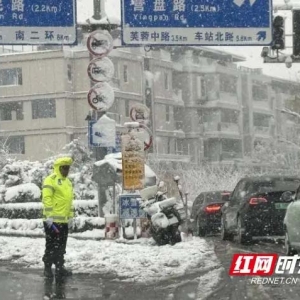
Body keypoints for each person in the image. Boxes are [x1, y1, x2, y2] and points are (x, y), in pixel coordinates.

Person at [42, 156, 74, 298]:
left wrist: (71, 216)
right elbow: (47, 198)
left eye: (68, 168)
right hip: (52, 221)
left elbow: (69, 201)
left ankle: (60, 267)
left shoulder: (68, 182)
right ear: (58, 168)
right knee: (51, 245)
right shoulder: (51, 180)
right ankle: (48, 268)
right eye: (64, 168)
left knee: (61, 245)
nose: (66, 170)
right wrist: (49, 216)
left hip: (64, 221)